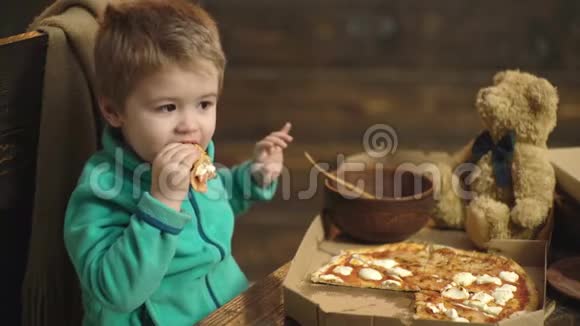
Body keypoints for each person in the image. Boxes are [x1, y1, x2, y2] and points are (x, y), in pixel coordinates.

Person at [63, 0, 293, 324]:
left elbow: (216, 197)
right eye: (168, 107)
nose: (190, 125)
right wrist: (162, 202)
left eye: (204, 104)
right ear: (114, 111)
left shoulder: (195, 159)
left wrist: (254, 177)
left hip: (227, 304)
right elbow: (115, 291)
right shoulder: (101, 191)